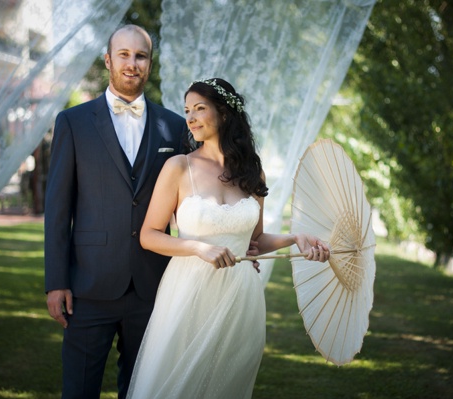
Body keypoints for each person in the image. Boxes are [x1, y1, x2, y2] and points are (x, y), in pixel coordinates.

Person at [126, 78, 330, 399]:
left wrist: (296, 238)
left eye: (199, 109)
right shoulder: (179, 167)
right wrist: (197, 247)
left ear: (223, 113)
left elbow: (255, 242)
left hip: (241, 298)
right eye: (187, 110)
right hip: (188, 294)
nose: (190, 118)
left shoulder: (253, 173)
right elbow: (149, 236)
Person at [44, 24, 189, 399]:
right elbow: (58, 209)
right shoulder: (73, 122)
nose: (132, 63)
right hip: (88, 285)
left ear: (149, 64)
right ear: (108, 60)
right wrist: (56, 281)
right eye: (123, 54)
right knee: (79, 390)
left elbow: (189, 202)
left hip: (153, 284)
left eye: (140, 56)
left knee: (145, 390)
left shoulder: (174, 126)